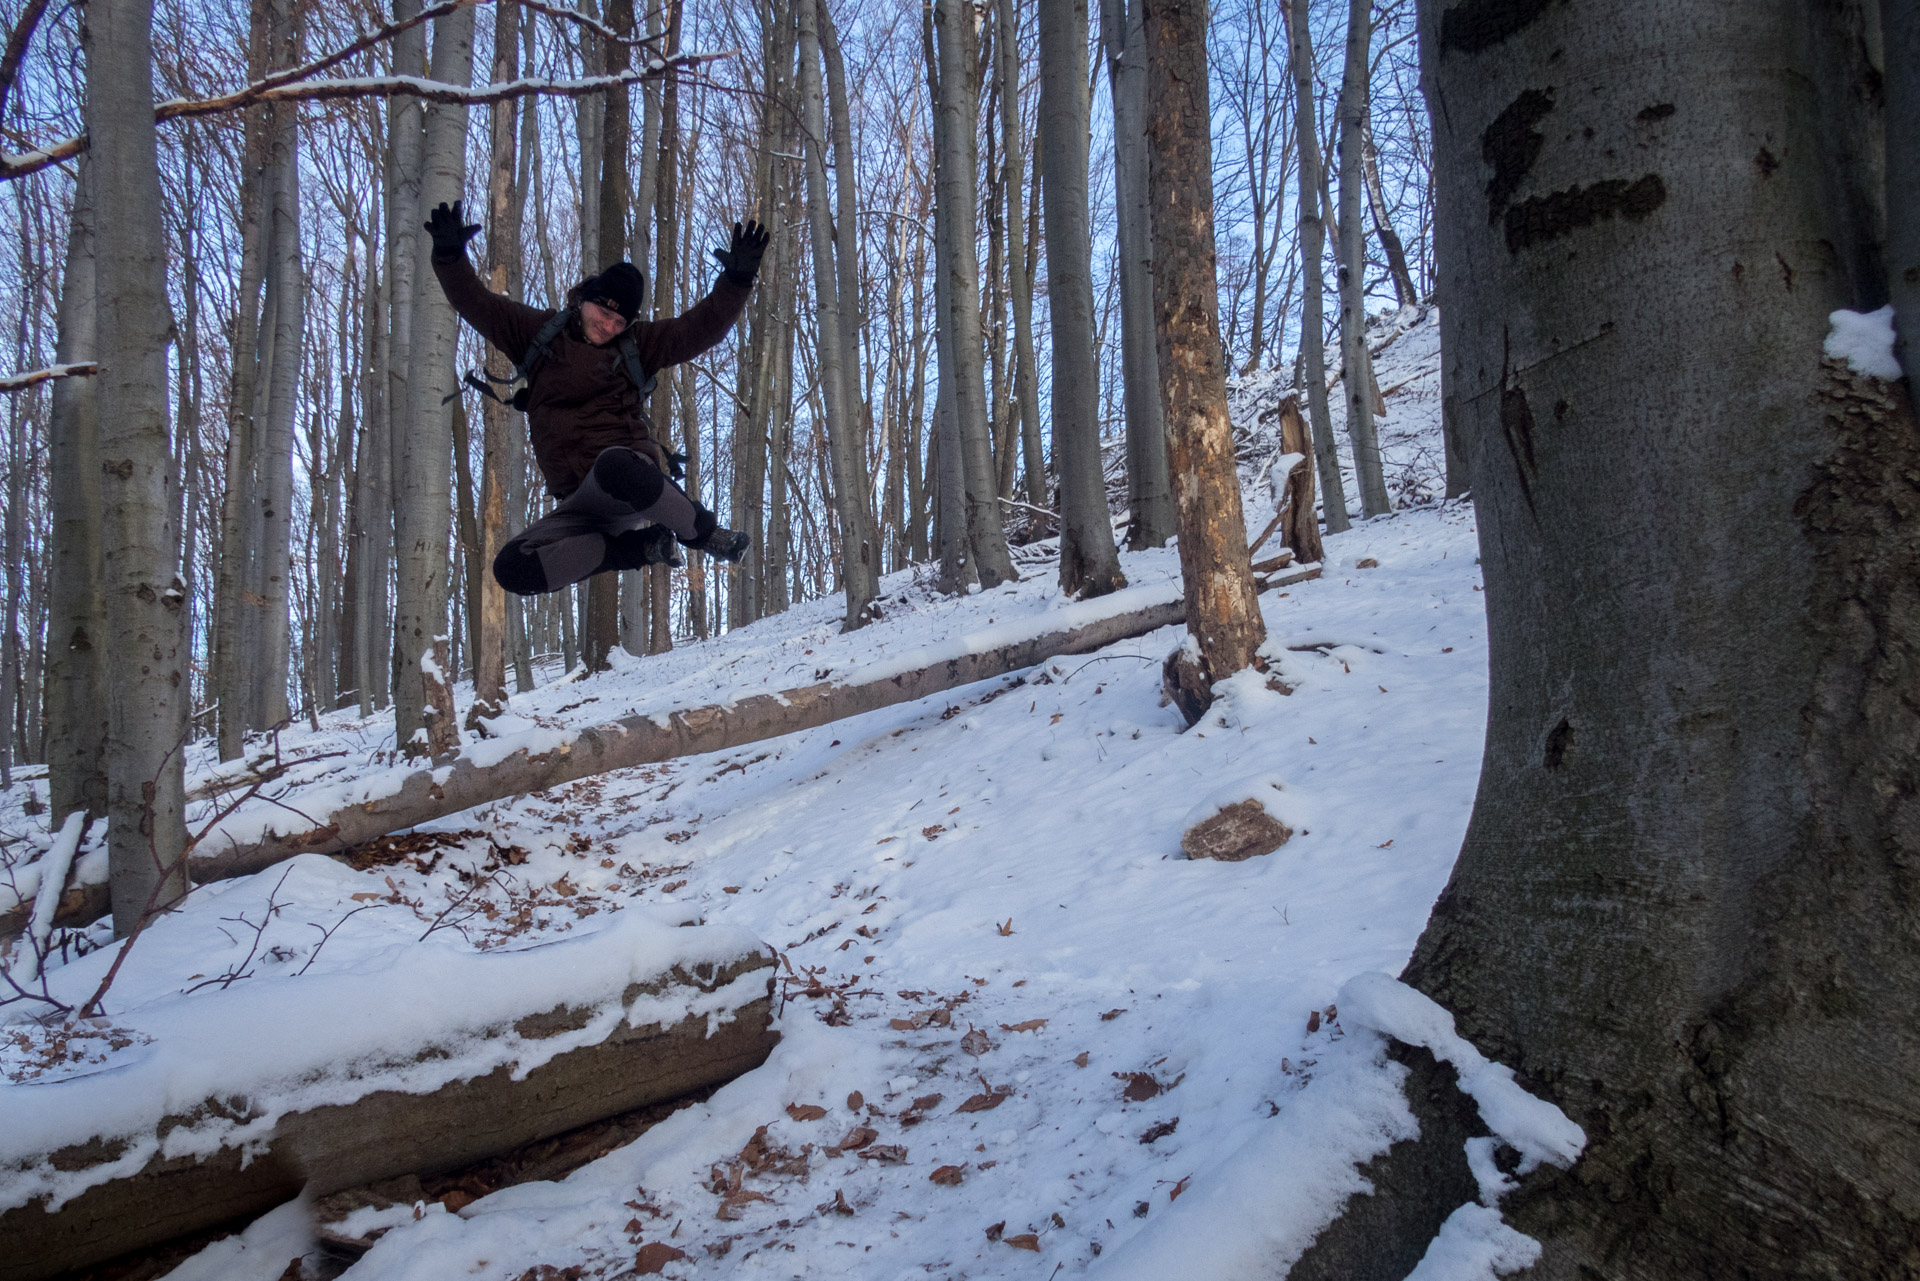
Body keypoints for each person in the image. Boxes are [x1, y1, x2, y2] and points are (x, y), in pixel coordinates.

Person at [423, 199, 769, 596]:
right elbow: (477, 304)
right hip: (579, 501)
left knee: (614, 465)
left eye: (619, 321)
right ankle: (638, 548)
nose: (608, 325)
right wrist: (449, 255)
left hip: (629, 481)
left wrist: (738, 281)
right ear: (585, 298)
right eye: (603, 313)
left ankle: (702, 534)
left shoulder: (637, 346)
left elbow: (700, 328)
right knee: (513, 567)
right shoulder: (536, 334)